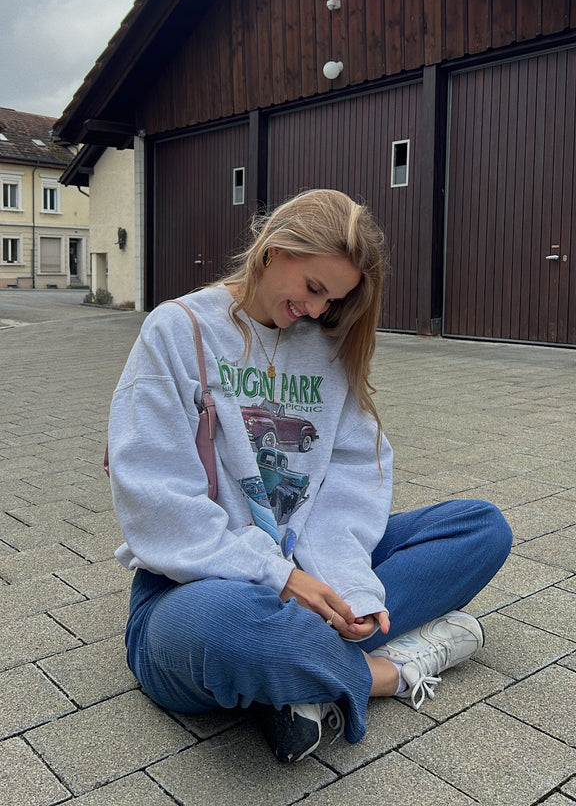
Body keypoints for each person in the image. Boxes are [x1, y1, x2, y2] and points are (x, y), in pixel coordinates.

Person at [107, 189, 512, 764]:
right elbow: (155, 500)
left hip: (310, 565)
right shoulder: (177, 330)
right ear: (274, 249)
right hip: (193, 586)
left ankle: (296, 677)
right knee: (235, 625)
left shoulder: (325, 345)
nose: (319, 311)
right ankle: (383, 672)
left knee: (480, 527)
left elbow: (348, 478)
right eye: (314, 287)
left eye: (334, 299)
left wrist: (350, 587)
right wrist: (280, 580)